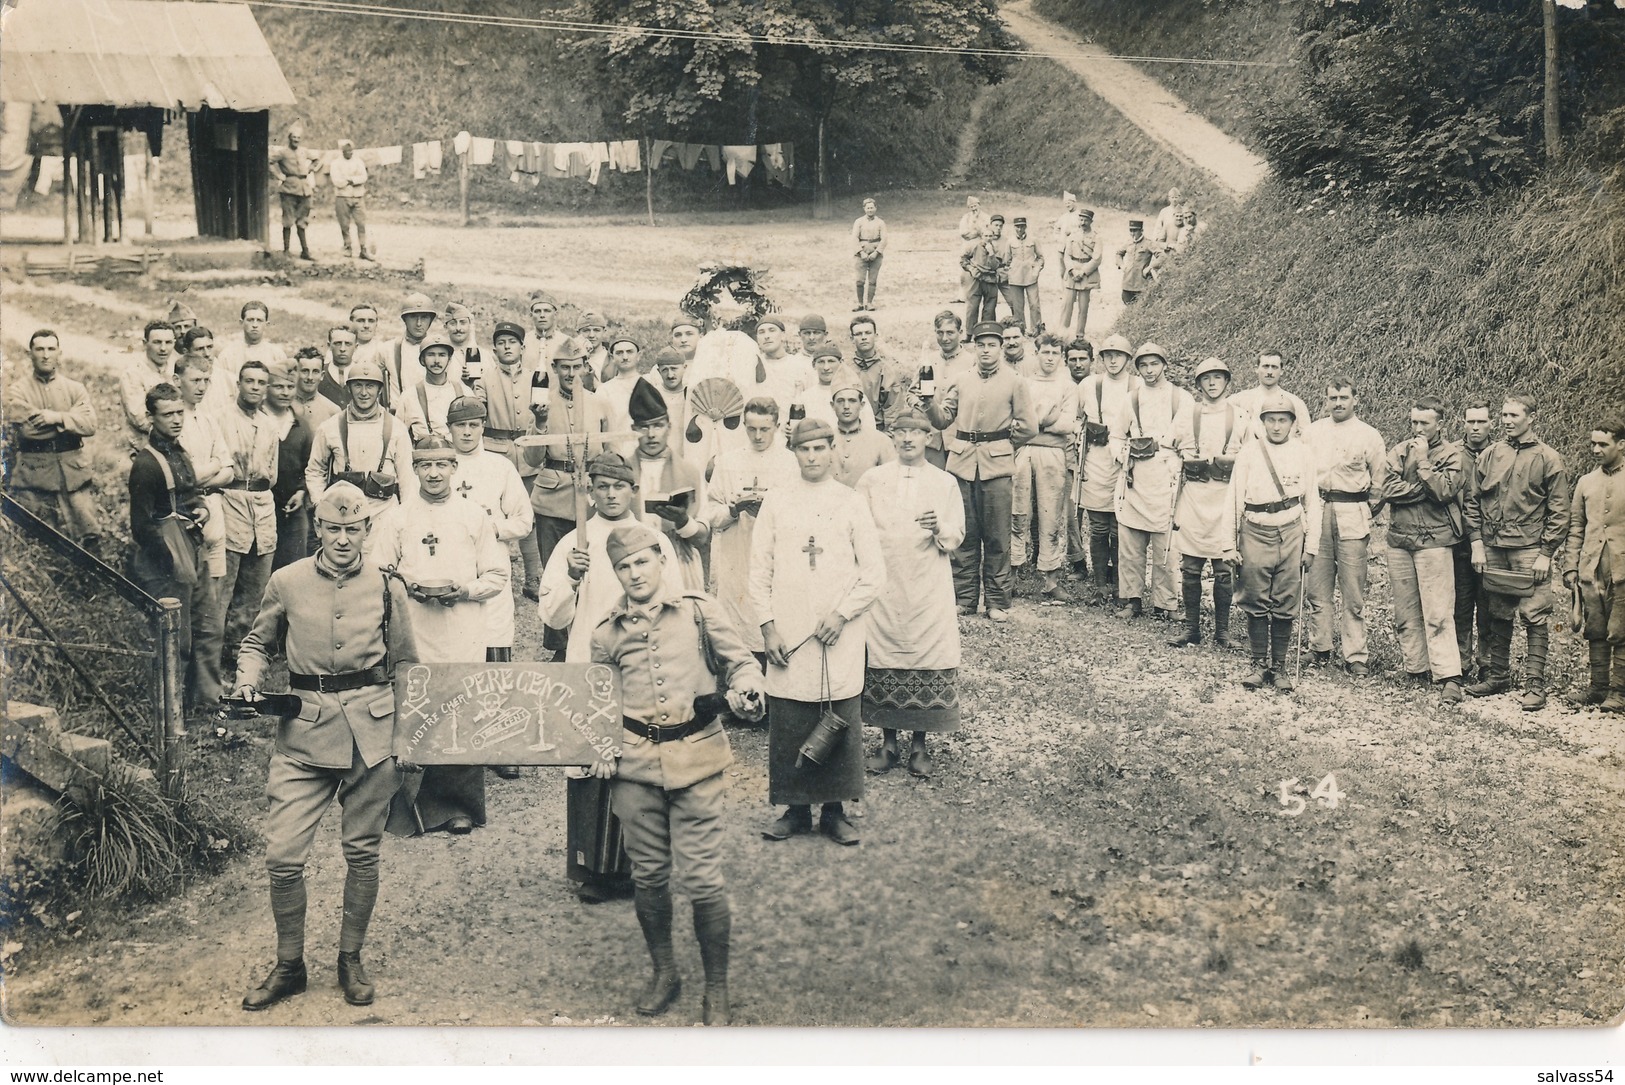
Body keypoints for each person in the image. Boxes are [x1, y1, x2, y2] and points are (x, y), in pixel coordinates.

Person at [231, 480, 417, 1011]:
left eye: (352, 529)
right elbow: (256, 643)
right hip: (303, 733)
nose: (342, 539)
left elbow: (406, 664)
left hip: (372, 734)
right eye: (332, 528)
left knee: (362, 852)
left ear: (367, 530)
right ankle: (290, 965)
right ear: (318, 528)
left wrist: (408, 737)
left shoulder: (388, 587)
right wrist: (248, 680)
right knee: (283, 856)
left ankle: (349, 958)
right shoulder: (287, 581)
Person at [587, 521, 764, 1025]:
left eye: (642, 561)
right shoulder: (606, 633)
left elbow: (741, 663)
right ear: (616, 573)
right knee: (649, 876)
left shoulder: (698, 611)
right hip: (635, 770)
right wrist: (599, 746)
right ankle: (665, 972)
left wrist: (749, 688)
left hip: (698, 762)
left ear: (661, 560)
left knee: (704, 879)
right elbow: (597, 701)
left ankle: (718, 989)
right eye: (624, 566)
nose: (635, 573)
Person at [539, 452, 682, 903]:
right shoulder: (573, 544)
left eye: (619, 486)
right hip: (589, 664)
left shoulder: (654, 540)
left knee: (642, 762)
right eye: (601, 486)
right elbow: (552, 614)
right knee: (591, 762)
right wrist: (571, 577)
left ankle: (643, 869)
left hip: (643, 663)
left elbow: (676, 600)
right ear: (590, 491)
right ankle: (594, 870)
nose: (610, 493)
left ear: (633, 489)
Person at [751, 418, 886, 845]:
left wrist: (842, 614)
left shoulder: (850, 502)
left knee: (838, 709)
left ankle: (834, 810)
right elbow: (759, 571)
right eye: (803, 450)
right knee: (791, 710)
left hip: (837, 632)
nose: (811, 457)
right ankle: (793, 809)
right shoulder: (777, 501)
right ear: (794, 452)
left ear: (832, 451)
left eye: (819, 449)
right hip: (790, 631)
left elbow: (874, 573)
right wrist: (768, 628)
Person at [375, 436, 509, 836]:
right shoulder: (397, 518)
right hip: (414, 627)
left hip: (461, 628)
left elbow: (497, 576)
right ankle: (399, 806)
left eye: (442, 465)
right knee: (412, 706)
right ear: (415, 469)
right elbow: (378, 570)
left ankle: (457, 805)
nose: (433, 473)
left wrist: (463, 591)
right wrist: (406, 588)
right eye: (425, 465)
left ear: (454, 468)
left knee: (460, 705)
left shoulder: (474, 516)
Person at [857, 409, 966, 778]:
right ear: (892, 436)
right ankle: (887, 743)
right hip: (885, 584)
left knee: (925, 652)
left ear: (928, 438)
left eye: (915, 433)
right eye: (901, 432)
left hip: (927, 583)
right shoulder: (872, 480)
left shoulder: (944, 482)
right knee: (884, 651)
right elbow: (857, 527)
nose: (907, 439)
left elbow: (956, 535)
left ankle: (920, 745)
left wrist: (940, 527)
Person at [1463, 394, 1571, 711]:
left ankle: (1535, 685)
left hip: (1529, 549)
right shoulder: (1492, 454)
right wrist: (1477, 542)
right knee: (1498, 611)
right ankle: (1498, 676)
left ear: (1531, 418)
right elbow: (1473, 502)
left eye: (1514, 415)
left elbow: (1560, 512)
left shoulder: (1549, 459)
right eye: (1504, 415)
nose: (1508, 421)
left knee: (1534, 614)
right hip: (1494, 547)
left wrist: (1546, 552)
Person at [925, 320, 1036, 622]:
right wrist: (928, 405)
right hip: (961, 464)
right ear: (973, 348)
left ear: (1001, 348)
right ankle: (965, 598)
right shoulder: (961, 380)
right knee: (965, 534)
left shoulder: (1015, 381)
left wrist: (1002, 444)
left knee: (998, 536)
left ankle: (998, 602)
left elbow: (1029, 426)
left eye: (992, 345)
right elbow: (942, 419)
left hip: (997, 467)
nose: (986, 351)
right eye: (981, 345)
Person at [126, 383, 220, 709]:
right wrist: (170, 559)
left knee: (208, 625)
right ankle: (169, 712)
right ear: (151, 418)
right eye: (168, 415)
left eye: (180, 412)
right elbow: (142, 525)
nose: (177, 419)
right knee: (175, 637)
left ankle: (207, 701)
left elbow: (192, 494)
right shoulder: (146, 464)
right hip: (167, 560)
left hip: (194, 548)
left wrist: (202, 510)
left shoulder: (180, 453)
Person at [1224, 391, 1321, 693]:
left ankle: (1278, 666)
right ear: (1262, 422)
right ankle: (1258, 663)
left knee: (1285, 599)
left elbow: (1313, 502)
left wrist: (1312, 546)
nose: (1277, 426)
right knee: (1254, 597)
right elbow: (1233, 499)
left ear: (1293, 423)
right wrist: (1229, 544)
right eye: (1271, 420)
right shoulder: (1249, 453)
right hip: (1255, 529)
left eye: (1283, 420)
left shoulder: (1303, 453)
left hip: (1291, 530)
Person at [1379, 396, 1467, 703]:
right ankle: (1415, 668)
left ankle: (1449, 676)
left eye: (1424, 423)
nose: (1418, 428)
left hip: (1435, 542)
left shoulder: (1452, 454)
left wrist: (1424, 462)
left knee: (1439, 611)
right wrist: (1421, 489)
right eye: (1414, 421)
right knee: (1406, 611)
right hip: (1400, 541)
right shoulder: (1399, 450)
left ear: (1440, 424)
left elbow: (1444, 491)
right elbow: (1386, 489)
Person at [1303, 377, 1388, 677]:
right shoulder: (1312, 432)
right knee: (1317, 588)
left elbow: (1380, 483)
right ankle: (1320, 647)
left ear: (1355, 399)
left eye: (1343, 397)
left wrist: (1366, 510)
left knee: (1353, 591)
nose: (1338, 403)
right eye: (1332, 398)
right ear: (1325, 400)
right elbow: (1303, 474)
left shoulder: (1369, 435)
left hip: (1352, 512)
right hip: (1318, 511)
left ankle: (1355, 655)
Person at [706, 397, 798, 660]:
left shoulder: (790, 463)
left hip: (775, 558)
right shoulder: (727, 462)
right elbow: (712, 514)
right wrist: (733, 510)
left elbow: (800, 516)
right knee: (739, 635)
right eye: (751, 429)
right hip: (737, 555)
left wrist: (772, 512)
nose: (758, 436)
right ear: (744, 426)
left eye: (765, 429)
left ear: (777, 426)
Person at [445, 395, 532, 665]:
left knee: (493, 628)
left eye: (473, 425)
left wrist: (492, 528)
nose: (467, 432)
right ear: (449, 428)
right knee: (454, 632)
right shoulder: (440, 465)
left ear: (483, 426)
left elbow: (524, 520)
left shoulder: (500, 466)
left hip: (491, 557)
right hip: (451, 557)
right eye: (460, 426)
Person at [1167, 357, 1247, 647]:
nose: (1212, 383)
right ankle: (1192, 629)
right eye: (1206, 378)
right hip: (1194, 495)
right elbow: (1167, 448)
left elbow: (1251, 457)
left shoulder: (1240, 416)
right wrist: (1182, 466)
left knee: (1224, 566)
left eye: (1218, 378)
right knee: (1190, 565)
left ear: (1227, 382)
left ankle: (1222, 632)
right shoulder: (1187, 414)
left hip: (1226, 498)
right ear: (1198, 384)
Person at [1110, 343, 1191, 620]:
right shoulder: (1131, 399)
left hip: (1166, 478)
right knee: (1131, 545)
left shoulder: (1181, 398)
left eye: (1154, 364)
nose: (1149, 370)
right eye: (1143, 365)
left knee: (1166, 545)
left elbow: (1190, 439)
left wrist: (1177, 463)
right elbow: (1116, 435)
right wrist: (1123, 456)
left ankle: (1165, 604)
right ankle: (1132, 600)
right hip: (1136, 476)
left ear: (1165, 365)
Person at [523, 335, 612, 576]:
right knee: (555, 570)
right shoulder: (542, 404)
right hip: (553, 502)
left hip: (591, 500)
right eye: (565, 367)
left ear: (585, 367)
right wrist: (540, 422)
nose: (571, 374)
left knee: (594, 571)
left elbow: (609, 454)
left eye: (576, 367)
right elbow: (531, 460)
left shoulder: (600, 404)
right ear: (554, 368)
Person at [5, 330, 101, 551]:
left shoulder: (75, 389)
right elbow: (28, 431)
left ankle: (86, 583)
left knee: (89, 536)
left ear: (60, 353)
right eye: (39, 349)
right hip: (35, 474)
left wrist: (54, 418)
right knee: (40, 540)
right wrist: (70, 422)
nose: (46, 355)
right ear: (30, 354)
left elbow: (90, 425)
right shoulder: (17, 390)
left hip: (74, 473)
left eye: (51, 349)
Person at [214, 359, 281, 670]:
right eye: (249, 381)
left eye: (261, 383)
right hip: (231, 502)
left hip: (263, 508)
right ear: (239, 385)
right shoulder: (222, 419)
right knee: (223, 589)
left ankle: (240, 659)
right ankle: (210, 664)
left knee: (255, 592)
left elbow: (274, 474)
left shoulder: (269, 424)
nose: (255, 388)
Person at [477, 321, 546, 599]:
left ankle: (533, 577)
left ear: (522, 347)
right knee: (492, 515)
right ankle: (490, 575)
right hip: (495, 451)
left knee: (528, 517)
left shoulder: (536, 376)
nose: (507, 347)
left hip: (527, 454)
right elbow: (478, 409)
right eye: (502, 343)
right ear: (494, 349)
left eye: (512, 342)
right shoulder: (483, 378)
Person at [305, 359, 416, 526]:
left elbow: (407, 478)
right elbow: (315, 470)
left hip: (384, 513)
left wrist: (405, 517)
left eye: (370, 386)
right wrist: (320, 503)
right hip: (342, 513)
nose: (364, 393)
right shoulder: (330, 427)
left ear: (379, 390)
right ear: (349, 388)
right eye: (358, 385)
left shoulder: (397, 429)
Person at [1563, 418, 1625, 713]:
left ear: (1621, 445)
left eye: (1603, 444)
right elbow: (1576, 527)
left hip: (1622, 568)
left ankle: (1620, 691)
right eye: (1593, 443)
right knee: (1596, 626)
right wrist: (1571, 567)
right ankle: (1598, 687)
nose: (1596, 449)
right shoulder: (1586, 482)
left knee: (1621, 628)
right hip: (1592, 568)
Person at [1011, 333, 1079, 600]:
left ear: (1060, 357)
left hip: (1053, 456)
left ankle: (1050, 579)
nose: (1049, 358)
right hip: (1023, 453)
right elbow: (1016, 423)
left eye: (1055, 354)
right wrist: (1045, 419)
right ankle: (1012, 575)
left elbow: (1067, 424)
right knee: (1019, 514)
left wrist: (1034, 424)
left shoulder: (1067, 386)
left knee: (1051, 516)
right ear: (1036, 353)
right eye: (1045, 353)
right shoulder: (1023, 383)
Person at [627, 377, 709, 591]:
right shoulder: (623, 472)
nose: (652, 435)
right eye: (644, 428)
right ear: (633, 429)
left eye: (658, 426)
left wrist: (683, 521)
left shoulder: (689, 472)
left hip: (678, 562)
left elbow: (703, 535)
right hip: (632, 567)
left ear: (669, 427)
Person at [1073, 334, 1137, 603]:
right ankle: (1100, 585)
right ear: (1100, 359)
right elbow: (1077, 419)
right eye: (1107, 355)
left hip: (1126, 462)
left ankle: (1123, 587)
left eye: (1118, 355)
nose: (1113, 360)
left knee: (1120, 528)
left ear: (1127, 359)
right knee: (1098, 527)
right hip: (1097, 460)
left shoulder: (1138, 386)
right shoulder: (1090, 384)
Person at [1453, 398, 1496, 680]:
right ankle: (1460, 661)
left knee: (1489, 603)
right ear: (1463, 423)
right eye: (1471, 421)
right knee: (1460, 601)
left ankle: (1488, 662)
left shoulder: (1500, 453)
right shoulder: (1453, 454)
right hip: (1457, 540)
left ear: (1491, 423)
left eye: (1482, 421)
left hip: (1491, 541)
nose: (1476, 427)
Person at [265, 362, 313, 573]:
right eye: (278, 387)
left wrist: (302, 492)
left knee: (295, 566)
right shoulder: (258, 420)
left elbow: (310, 465)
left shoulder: (301, 426)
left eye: (290, 387)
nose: (285, 393)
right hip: (263, 505)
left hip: (293, 507)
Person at [916, 310, 971, 470]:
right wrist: (922, 403)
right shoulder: (928, 361)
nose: (945, 338)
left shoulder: (971, 362)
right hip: (932, 441)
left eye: (950, 333)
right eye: (940, 333)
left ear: (960, 332)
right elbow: (911, 394)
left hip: (959, 441)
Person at [397, 333, 474, 444]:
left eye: (442, 355)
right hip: (424, 457)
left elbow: (475, 433)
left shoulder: (465, 392)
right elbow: (398, 436)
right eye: (431, 355)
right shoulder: (409, 396)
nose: (437, 360)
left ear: (449, 359)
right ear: (422, 360)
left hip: (459, 456)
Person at [829, 372, 896, 488]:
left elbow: (890, 483)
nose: (846, 406)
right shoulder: (825, 440)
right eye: (840, 401)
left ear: (862, 405)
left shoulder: (881, 441)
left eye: (852, 400)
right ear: (832, 405)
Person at [1231, 350, 1309, 443]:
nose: (1269, 372)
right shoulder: (1239, 400)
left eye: (1274, 367)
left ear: (1281, 371)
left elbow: (1306, 436)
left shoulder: (1295, 402)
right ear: (1256, 369)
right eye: (1265, 366)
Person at [848, 315, 908, 432]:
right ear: (851, 338)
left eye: (868, 333)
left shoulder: (886, 371)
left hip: (877, 431)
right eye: (858, 334)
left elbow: (893, 412)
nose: (864, 337)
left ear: (875, 336)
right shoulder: (845, 369)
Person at [121, 321, 177, 442]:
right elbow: (139, 418)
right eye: (157, 342)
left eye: (168, 343)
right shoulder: (133, 373)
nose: (163, 348)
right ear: (145, 343)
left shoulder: (176, 369)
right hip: (144, 443)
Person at [269, 122, 318, 260]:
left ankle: (305, 251)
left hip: (304, 188)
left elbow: (316, 160)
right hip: (289, 188)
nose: (296, 140)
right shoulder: (283, 152)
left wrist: (310, 169)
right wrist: (278, 175)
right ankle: (286, 251)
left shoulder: (304, 151)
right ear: (289, 138)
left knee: (303, 221)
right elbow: (269, 161)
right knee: (288, 220)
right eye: (293, 137)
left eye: (298, 138)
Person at [380, 293, 437, 408]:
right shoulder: (387, 349)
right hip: (398, 415)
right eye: (413, 317)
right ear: (404, 319)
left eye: (424, 317)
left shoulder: (439, 351)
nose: (419, 323)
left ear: (431, 320)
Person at [1059, 208, 1102, 341]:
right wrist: (1072, 270)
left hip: (1086, 274)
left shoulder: (1096, 237)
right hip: (1072, 273)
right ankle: (1062, 333)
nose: (1083, 222)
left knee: (1083, 307)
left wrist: (1083, 272)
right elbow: (1066, 256)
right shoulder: (1072, 235)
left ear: (1091, 221)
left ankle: (1080, 335)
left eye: (1086, 220)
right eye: (1081, 219)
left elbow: (1097, 258)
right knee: (1067, 304)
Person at [219, 301, 289, 382]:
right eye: (250, 320)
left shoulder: (277, 355)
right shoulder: (227, 355)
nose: (255, 325)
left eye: (259, 320)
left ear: (266, 324)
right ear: (241, 322)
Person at [962, 216, 1008, 331]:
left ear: (993, 237)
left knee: (990, 308)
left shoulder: (996, 248)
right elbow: (963, 259)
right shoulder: (973, 246)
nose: (988, 238)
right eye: (985, 236)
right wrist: (970, 268)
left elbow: (996, 265)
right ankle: (969, 333)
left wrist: (991, 253)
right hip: (976, 279)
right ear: (982, 236)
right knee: (973, 307)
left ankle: (987, 331)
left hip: (991, 279)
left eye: (990, 236)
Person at [330, 140, 371, 260]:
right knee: (344, 224)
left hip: (358, 196)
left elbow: (363, 177)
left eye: (351, 150)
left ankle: (363, 249)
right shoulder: (336, 163)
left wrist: (350, 180)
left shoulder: (358, 162)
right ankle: (347, 247)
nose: (349, 153)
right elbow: (337, 181)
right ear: (342, 151)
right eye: (347, 151)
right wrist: (352, 180)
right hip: (342, 196)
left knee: (361, 223)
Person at [1008, 217, 1044, 337]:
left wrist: (1036, 270)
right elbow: (1006, 260)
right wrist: (1010, 271)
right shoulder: (1010, 241)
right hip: (1015, 278)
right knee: (1018, 306)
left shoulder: (1033, 240)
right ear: (1014, 227)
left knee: (1034, 304)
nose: (1020, 229)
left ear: (1026, 227)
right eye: (1017, 226)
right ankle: (1020, 330)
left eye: (1022, 226)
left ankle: (1036, 330)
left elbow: (1040, 257)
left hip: (1031, 277)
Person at [293, 346, 341, 435]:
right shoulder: (284, 405)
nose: (310, 377)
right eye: (305, 371)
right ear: (295, 373)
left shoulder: (333, 410)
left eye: (315, 372)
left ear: (322, 375)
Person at [851, 197, 887, 311]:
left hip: (875, 255)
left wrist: (876, 253)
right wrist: (861, 253)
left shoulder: (880, 222)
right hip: (861, 254)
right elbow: (854, 238)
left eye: (872, 207)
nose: (870, 210)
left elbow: (884, 239)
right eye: (868, 208)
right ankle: (860, 303)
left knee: (872, 280)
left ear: (875, 208)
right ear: (864, 209)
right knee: (860, 280)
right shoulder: (859, 222)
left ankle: (870, 303)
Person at [440, 302, 483, 387]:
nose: (458, 328)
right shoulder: (441, 356)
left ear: (470, 325)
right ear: (445, 327)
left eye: (463, 323)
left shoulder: (485, 356)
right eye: (453, 323)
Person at [1116, 219, 1156, 305]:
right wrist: (1122, 266)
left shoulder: (1148, 243)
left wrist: (1149, 267)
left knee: (1143, 307)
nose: (1133, 233)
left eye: (1135, 230)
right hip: (1128, 282)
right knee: (1127, 303)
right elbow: (1118, 254)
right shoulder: (1128, 243)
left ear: (1141, 231)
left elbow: (1162, 256)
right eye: (1131, 230)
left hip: (1142, 282)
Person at [521, 292, 565, 371]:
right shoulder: (522, 341)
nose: (542, 315)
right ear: (531, 315)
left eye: (547, 311)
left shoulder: (565, 342)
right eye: (537, 311)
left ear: (555, 314)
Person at [956, 196, 985, 303]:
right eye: (971, 207)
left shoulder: (985, 217)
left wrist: (977, 232)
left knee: (980, 269)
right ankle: (962, 295)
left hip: (981, 247)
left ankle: (980, 295)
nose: (974, 209)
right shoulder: (966, 218)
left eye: (975, 206)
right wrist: (975, 232)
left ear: (979, 205)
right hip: (967, 247)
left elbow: (986, 232)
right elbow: (964, 233)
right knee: (964, 271)